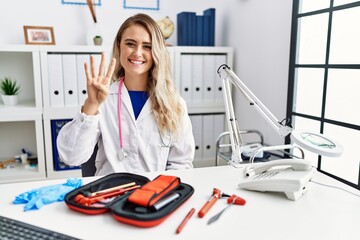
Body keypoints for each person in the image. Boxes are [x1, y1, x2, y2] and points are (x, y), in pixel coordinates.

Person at [57, 13, 195, 176]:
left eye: (147, 46)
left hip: (154, 196)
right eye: (130, 43)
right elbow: (71, 157)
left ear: (157, 51)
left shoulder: (175, 104)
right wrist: (91, 104)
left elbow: (181, 163)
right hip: (109, 194)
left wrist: (160, 194)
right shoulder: (103, 99)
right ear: (119, 46)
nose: (137, 53)